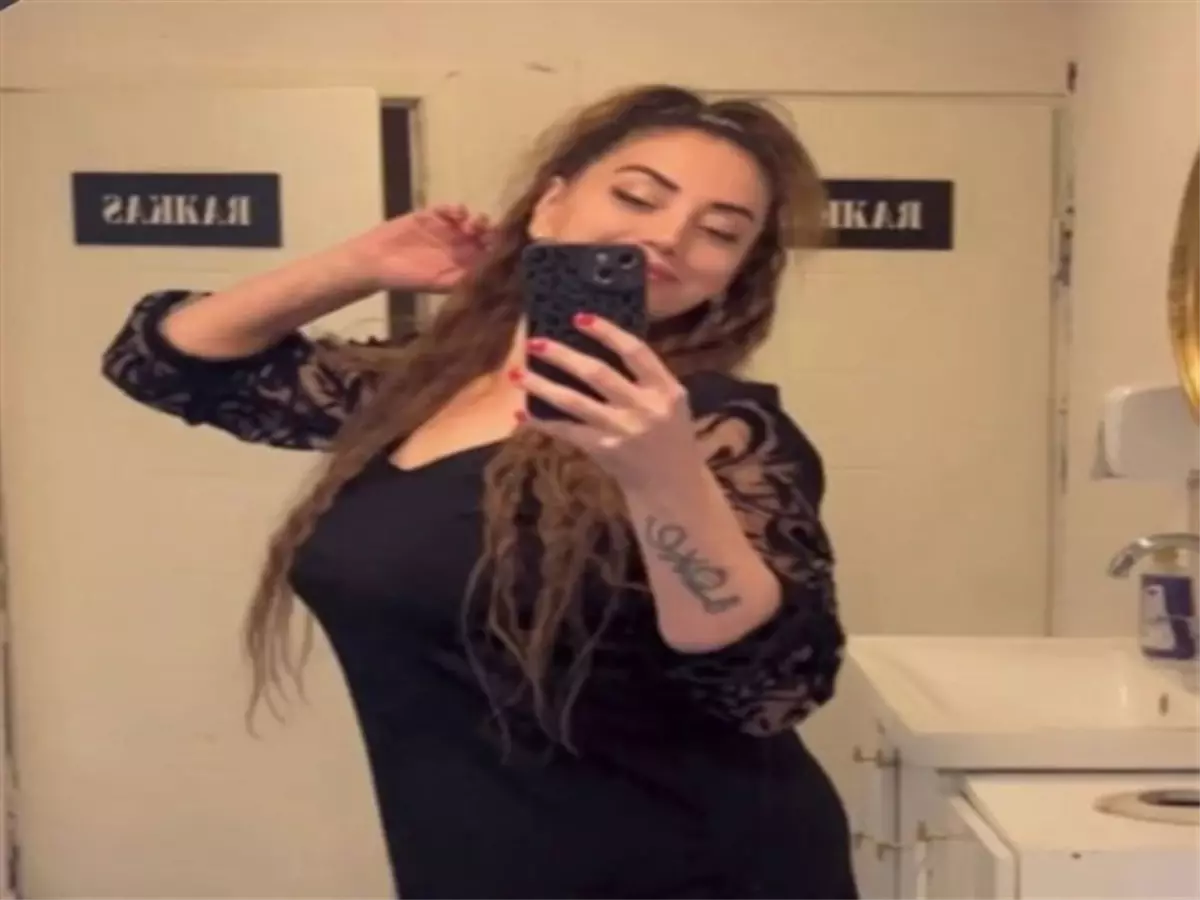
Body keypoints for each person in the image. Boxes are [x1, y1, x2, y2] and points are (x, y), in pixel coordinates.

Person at [101, 85, 857, 900]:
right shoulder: (420, 389)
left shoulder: (718, 427)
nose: (667, 235)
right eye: (639, 197)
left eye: (720, 232)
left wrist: (664, 476)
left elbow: (768, 688)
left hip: (703, 871)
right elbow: (164, 362)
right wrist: (357, 264)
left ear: (731, 276)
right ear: (551, 206)